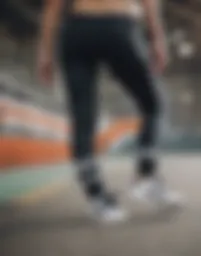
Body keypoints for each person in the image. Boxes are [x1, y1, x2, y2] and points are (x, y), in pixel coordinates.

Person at [38, 0, 180, 224]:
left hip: (76, 31)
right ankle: (145, 175)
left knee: (83, 118)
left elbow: (53, 7)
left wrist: (45, 53)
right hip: (117, 26)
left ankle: (97, 196)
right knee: (152, 104)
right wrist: (157, 39)